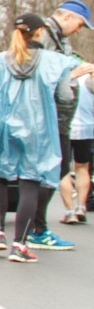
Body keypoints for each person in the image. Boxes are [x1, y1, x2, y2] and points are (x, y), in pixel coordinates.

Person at [0, 14, 93, 261]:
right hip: (38, 128)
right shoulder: (55, 62)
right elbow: (65, 97)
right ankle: (20, 245)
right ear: (40, 32)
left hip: (5, 125)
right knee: (30, 182)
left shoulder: (2, 60)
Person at [21, 0, 90, 250]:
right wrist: (73, 74)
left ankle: (35, 228)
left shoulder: (62, 40)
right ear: (68, 17)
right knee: (50, 171)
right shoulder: (46, 36)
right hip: (47, 114)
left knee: (55, 171)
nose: (79, 30)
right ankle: (35, 230)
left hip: (59, 115)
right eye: (80, 24)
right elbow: (36, 73)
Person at [67, 75, 92, 224]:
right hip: (86, 130)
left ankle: (69, 211)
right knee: (83, 168)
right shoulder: (88, 80)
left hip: (65, 128)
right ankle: (81, 207)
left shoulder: (67, 77)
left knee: (63, 171)